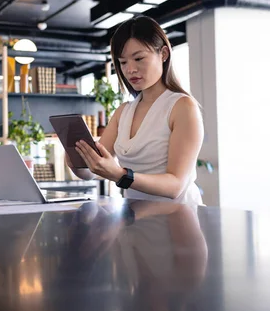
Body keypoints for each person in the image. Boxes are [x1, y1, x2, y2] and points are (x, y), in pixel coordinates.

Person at [67, 15, 204, 205]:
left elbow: (175, 186)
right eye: (123, 62)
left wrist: (120, 175)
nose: (130, 69)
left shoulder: (182, 107)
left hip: (179, 220)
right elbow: (90, 172)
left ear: (163, 54)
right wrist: (74, 155)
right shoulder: (123, 112)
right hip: (137, 218)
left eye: (139, 58)